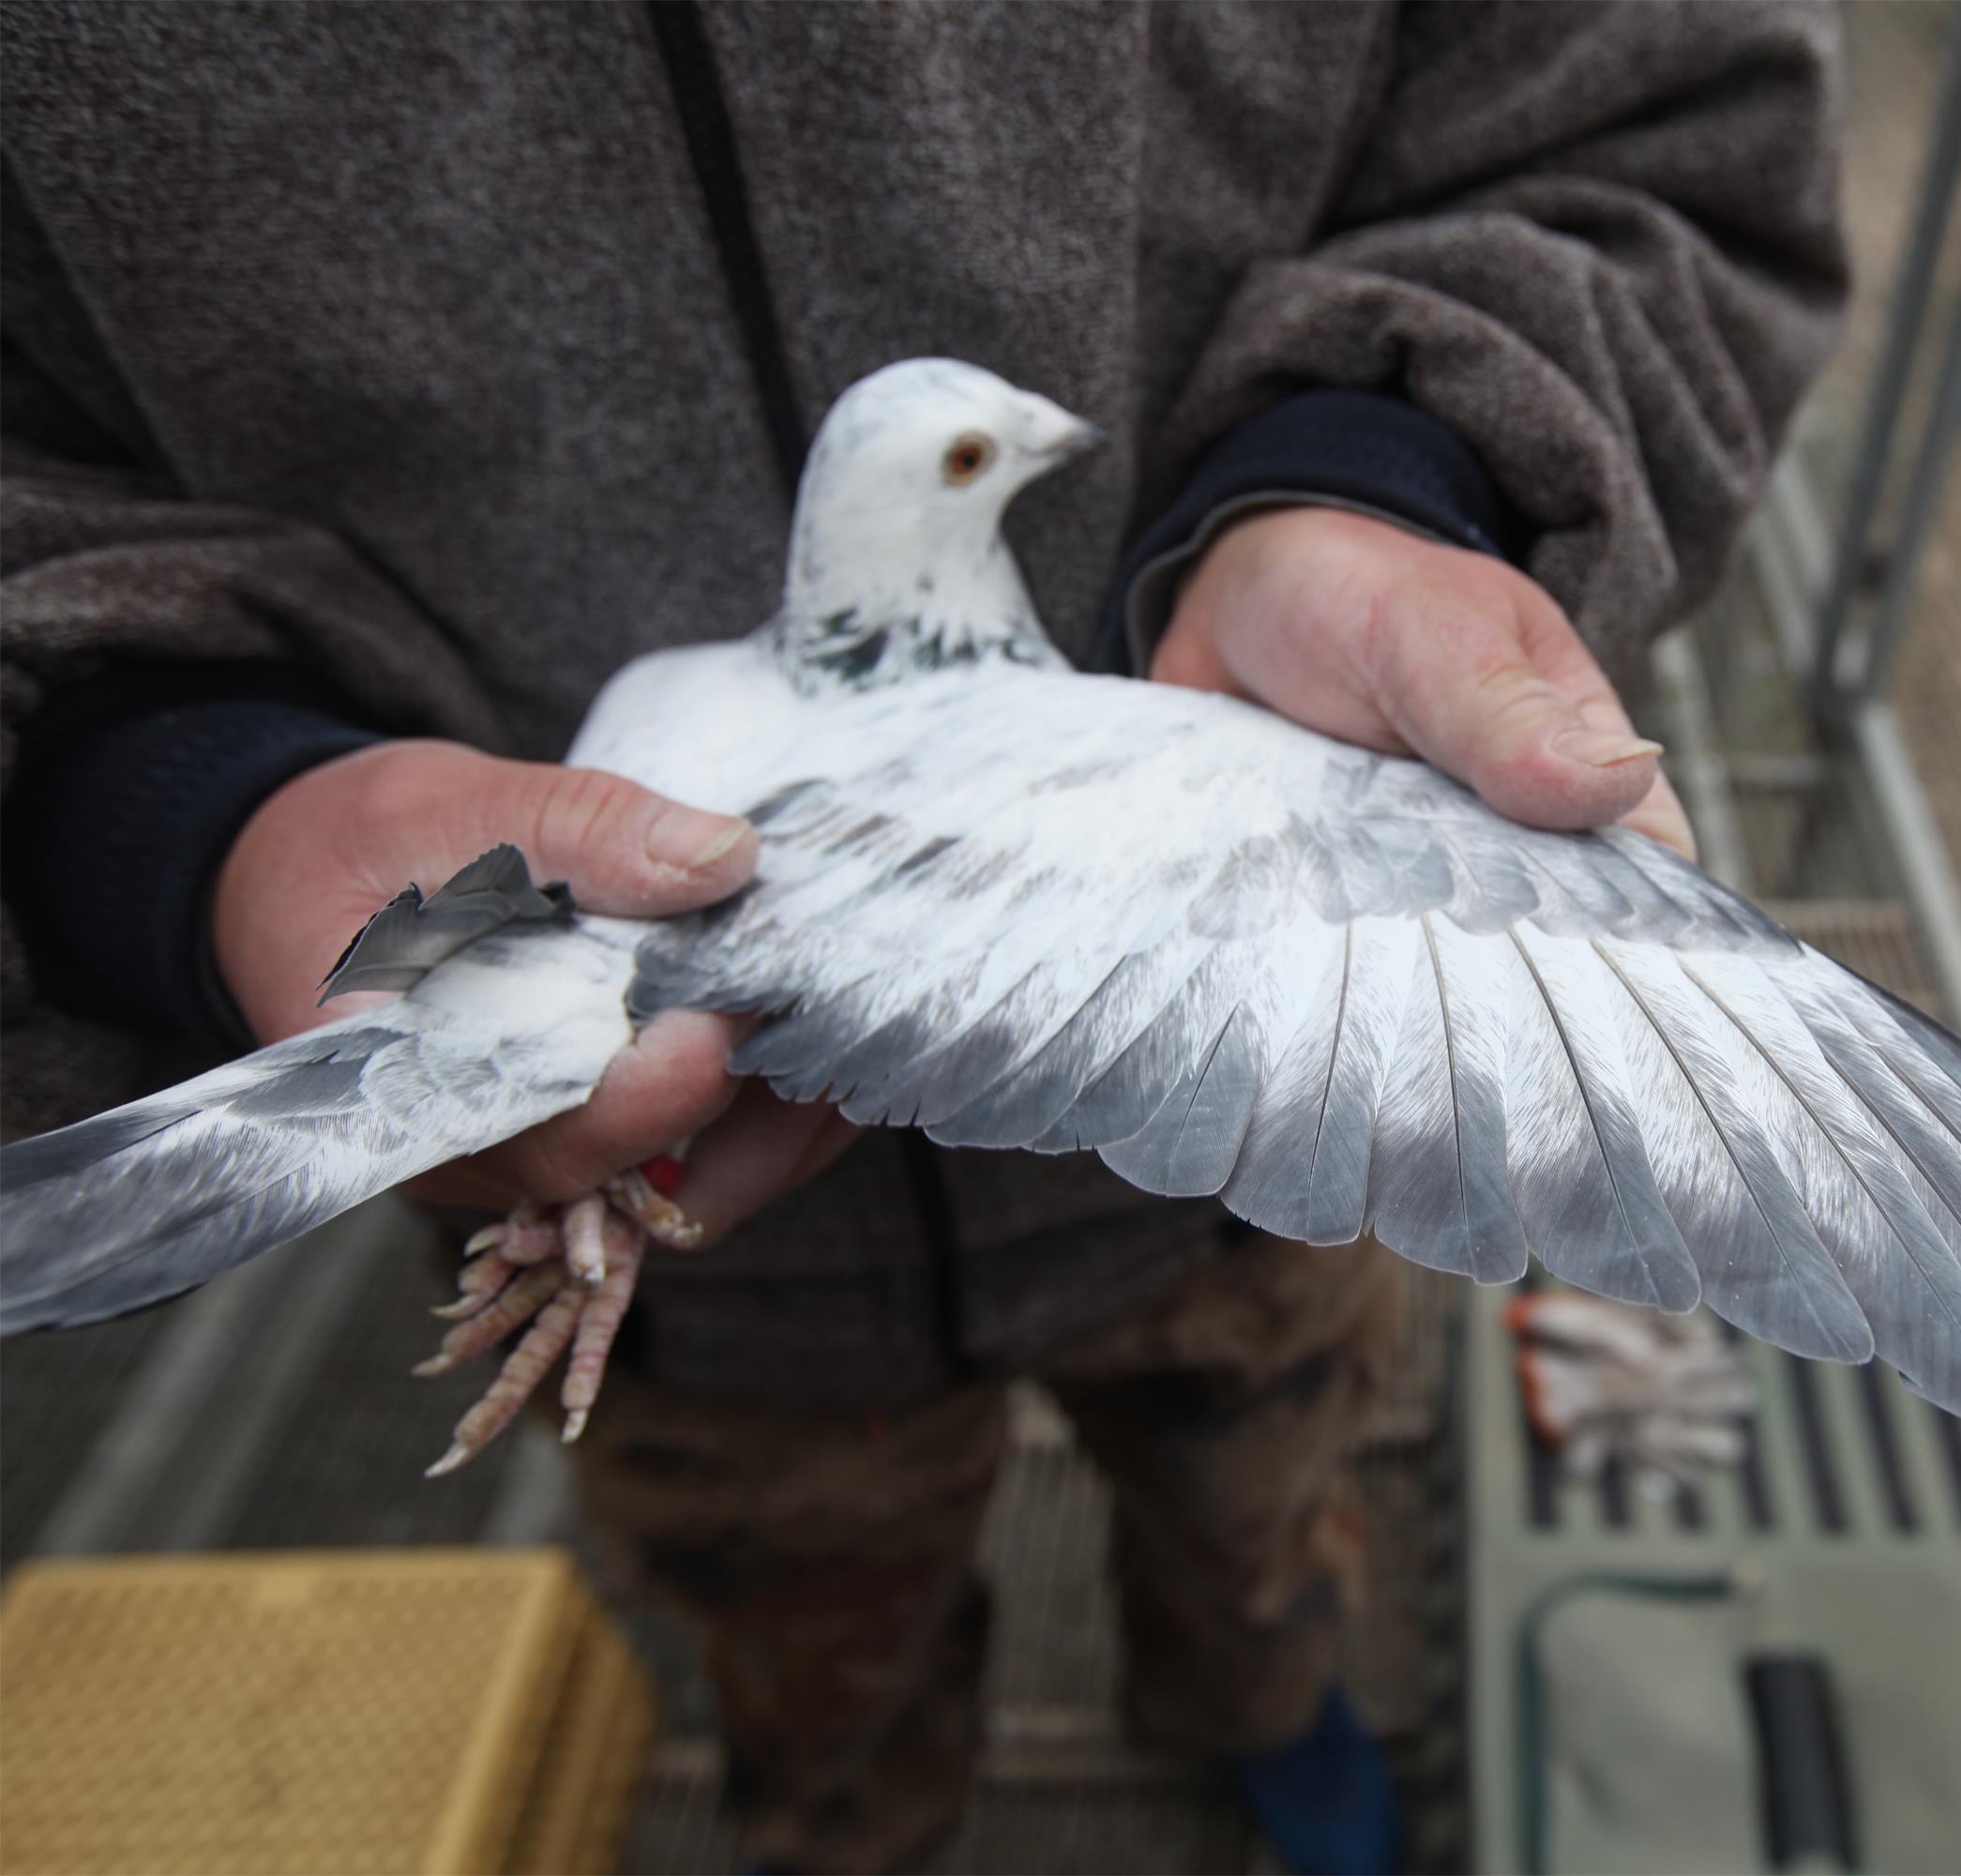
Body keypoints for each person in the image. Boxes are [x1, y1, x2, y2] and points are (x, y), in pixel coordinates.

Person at [0, 5, 1846, 1869]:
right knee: (820, 1658)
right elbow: (465, 929)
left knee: (1248, 1510)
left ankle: (1269, 1717)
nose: (1049, 443)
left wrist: (1389, 473)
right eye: (986, 458)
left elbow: (1657, 131)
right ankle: (875, 1807)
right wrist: (199, 827)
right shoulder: (1080, 744)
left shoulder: (668, 696)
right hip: (738, 1332)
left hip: (1213, 1217)